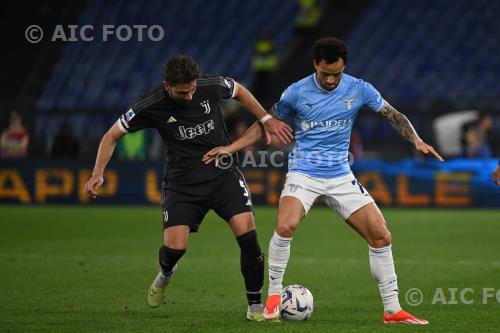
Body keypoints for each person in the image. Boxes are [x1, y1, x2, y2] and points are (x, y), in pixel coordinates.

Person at [203, 37, 444, 324]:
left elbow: (393, 115)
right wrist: (231, 147)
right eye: (326, 73)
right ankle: (273, 300)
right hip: (304, 173)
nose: (331, 80)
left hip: (341, 175)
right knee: (285, 225)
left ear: (344, 68)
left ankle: (392, 310)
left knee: (381, 235)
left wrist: (415, 139)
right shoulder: (296, 92)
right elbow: (264, 123)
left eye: (337, 74)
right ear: (316, 64)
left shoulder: (360, 88)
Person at [84, 55, 293, 320]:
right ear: (167, 85)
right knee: (175, 248)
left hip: (223, 175)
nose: (189, 95)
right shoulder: (150, 104)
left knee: (248, 236)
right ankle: (166, 274)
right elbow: (111, 135)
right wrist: (97, 174)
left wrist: (264, 118)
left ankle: (254, 306)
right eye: (183, 92)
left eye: (192, 89)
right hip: (182, 184)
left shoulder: (208, 85)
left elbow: (238, 90)